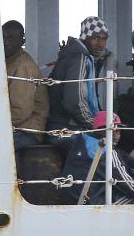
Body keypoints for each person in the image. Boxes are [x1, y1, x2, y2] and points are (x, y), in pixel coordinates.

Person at [47, 16, 112, 148]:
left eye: (104, 39)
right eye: (95, 38)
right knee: (106, 153)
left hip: (60, 126)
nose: (101, 44)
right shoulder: (80, 58)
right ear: (84, 37)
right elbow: (73, 101)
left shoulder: (73, 55)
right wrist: (95, 125)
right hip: (66, 129)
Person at [3, 21, 49, 153]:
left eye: (10, 38)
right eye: (3, 37)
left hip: (28, 131)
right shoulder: (9, 61)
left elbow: (20, 112)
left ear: (22, 41)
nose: (5, 42)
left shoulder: (23, 66)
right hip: (17, 127)